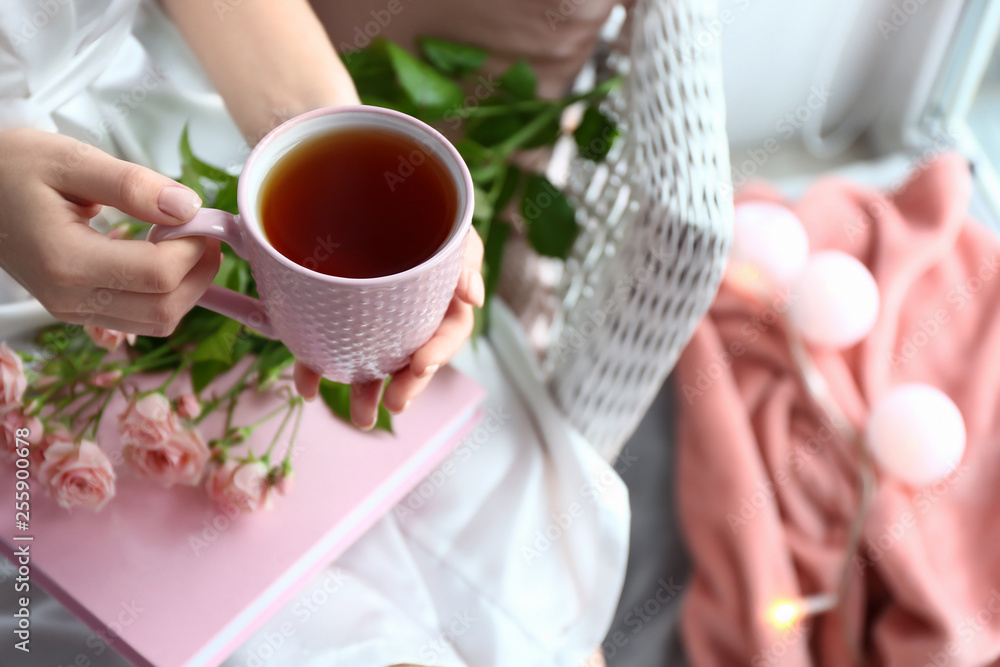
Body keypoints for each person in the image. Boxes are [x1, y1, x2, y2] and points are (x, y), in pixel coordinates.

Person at [0, 1, 630, 665]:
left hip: (207, 132)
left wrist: (343, 145)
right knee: (248, 611)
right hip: (31, 315)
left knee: (520, 572)